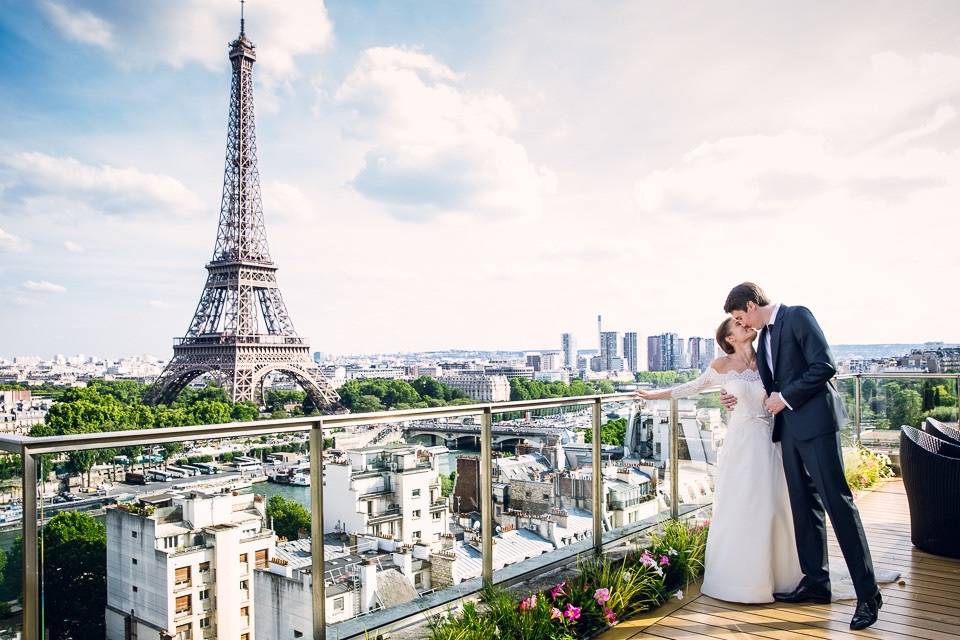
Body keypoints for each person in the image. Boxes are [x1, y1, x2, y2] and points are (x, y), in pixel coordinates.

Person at [722, 282, 881, 631]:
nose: (741, 324)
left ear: (751, 305)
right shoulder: (763, 338)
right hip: (788, 431)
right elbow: (767, 383)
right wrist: (734, 396)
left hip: (816, 425)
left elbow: (824, 365)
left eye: (738, 317)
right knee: (803, 508)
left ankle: (868, 595)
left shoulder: (797, 316)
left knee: (838, 505)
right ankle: (816, 582)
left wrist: (786, 398)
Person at [637, 317, 802, 602]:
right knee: (741, 503)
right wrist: (654, 395)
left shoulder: (768, 359)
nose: (745, 325)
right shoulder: (721, 367)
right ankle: (743, 577)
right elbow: (691, 387)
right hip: (740, 442)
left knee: (774, 502)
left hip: (770, 440)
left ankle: (782, 573)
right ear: (729, 338)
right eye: (738, 325)